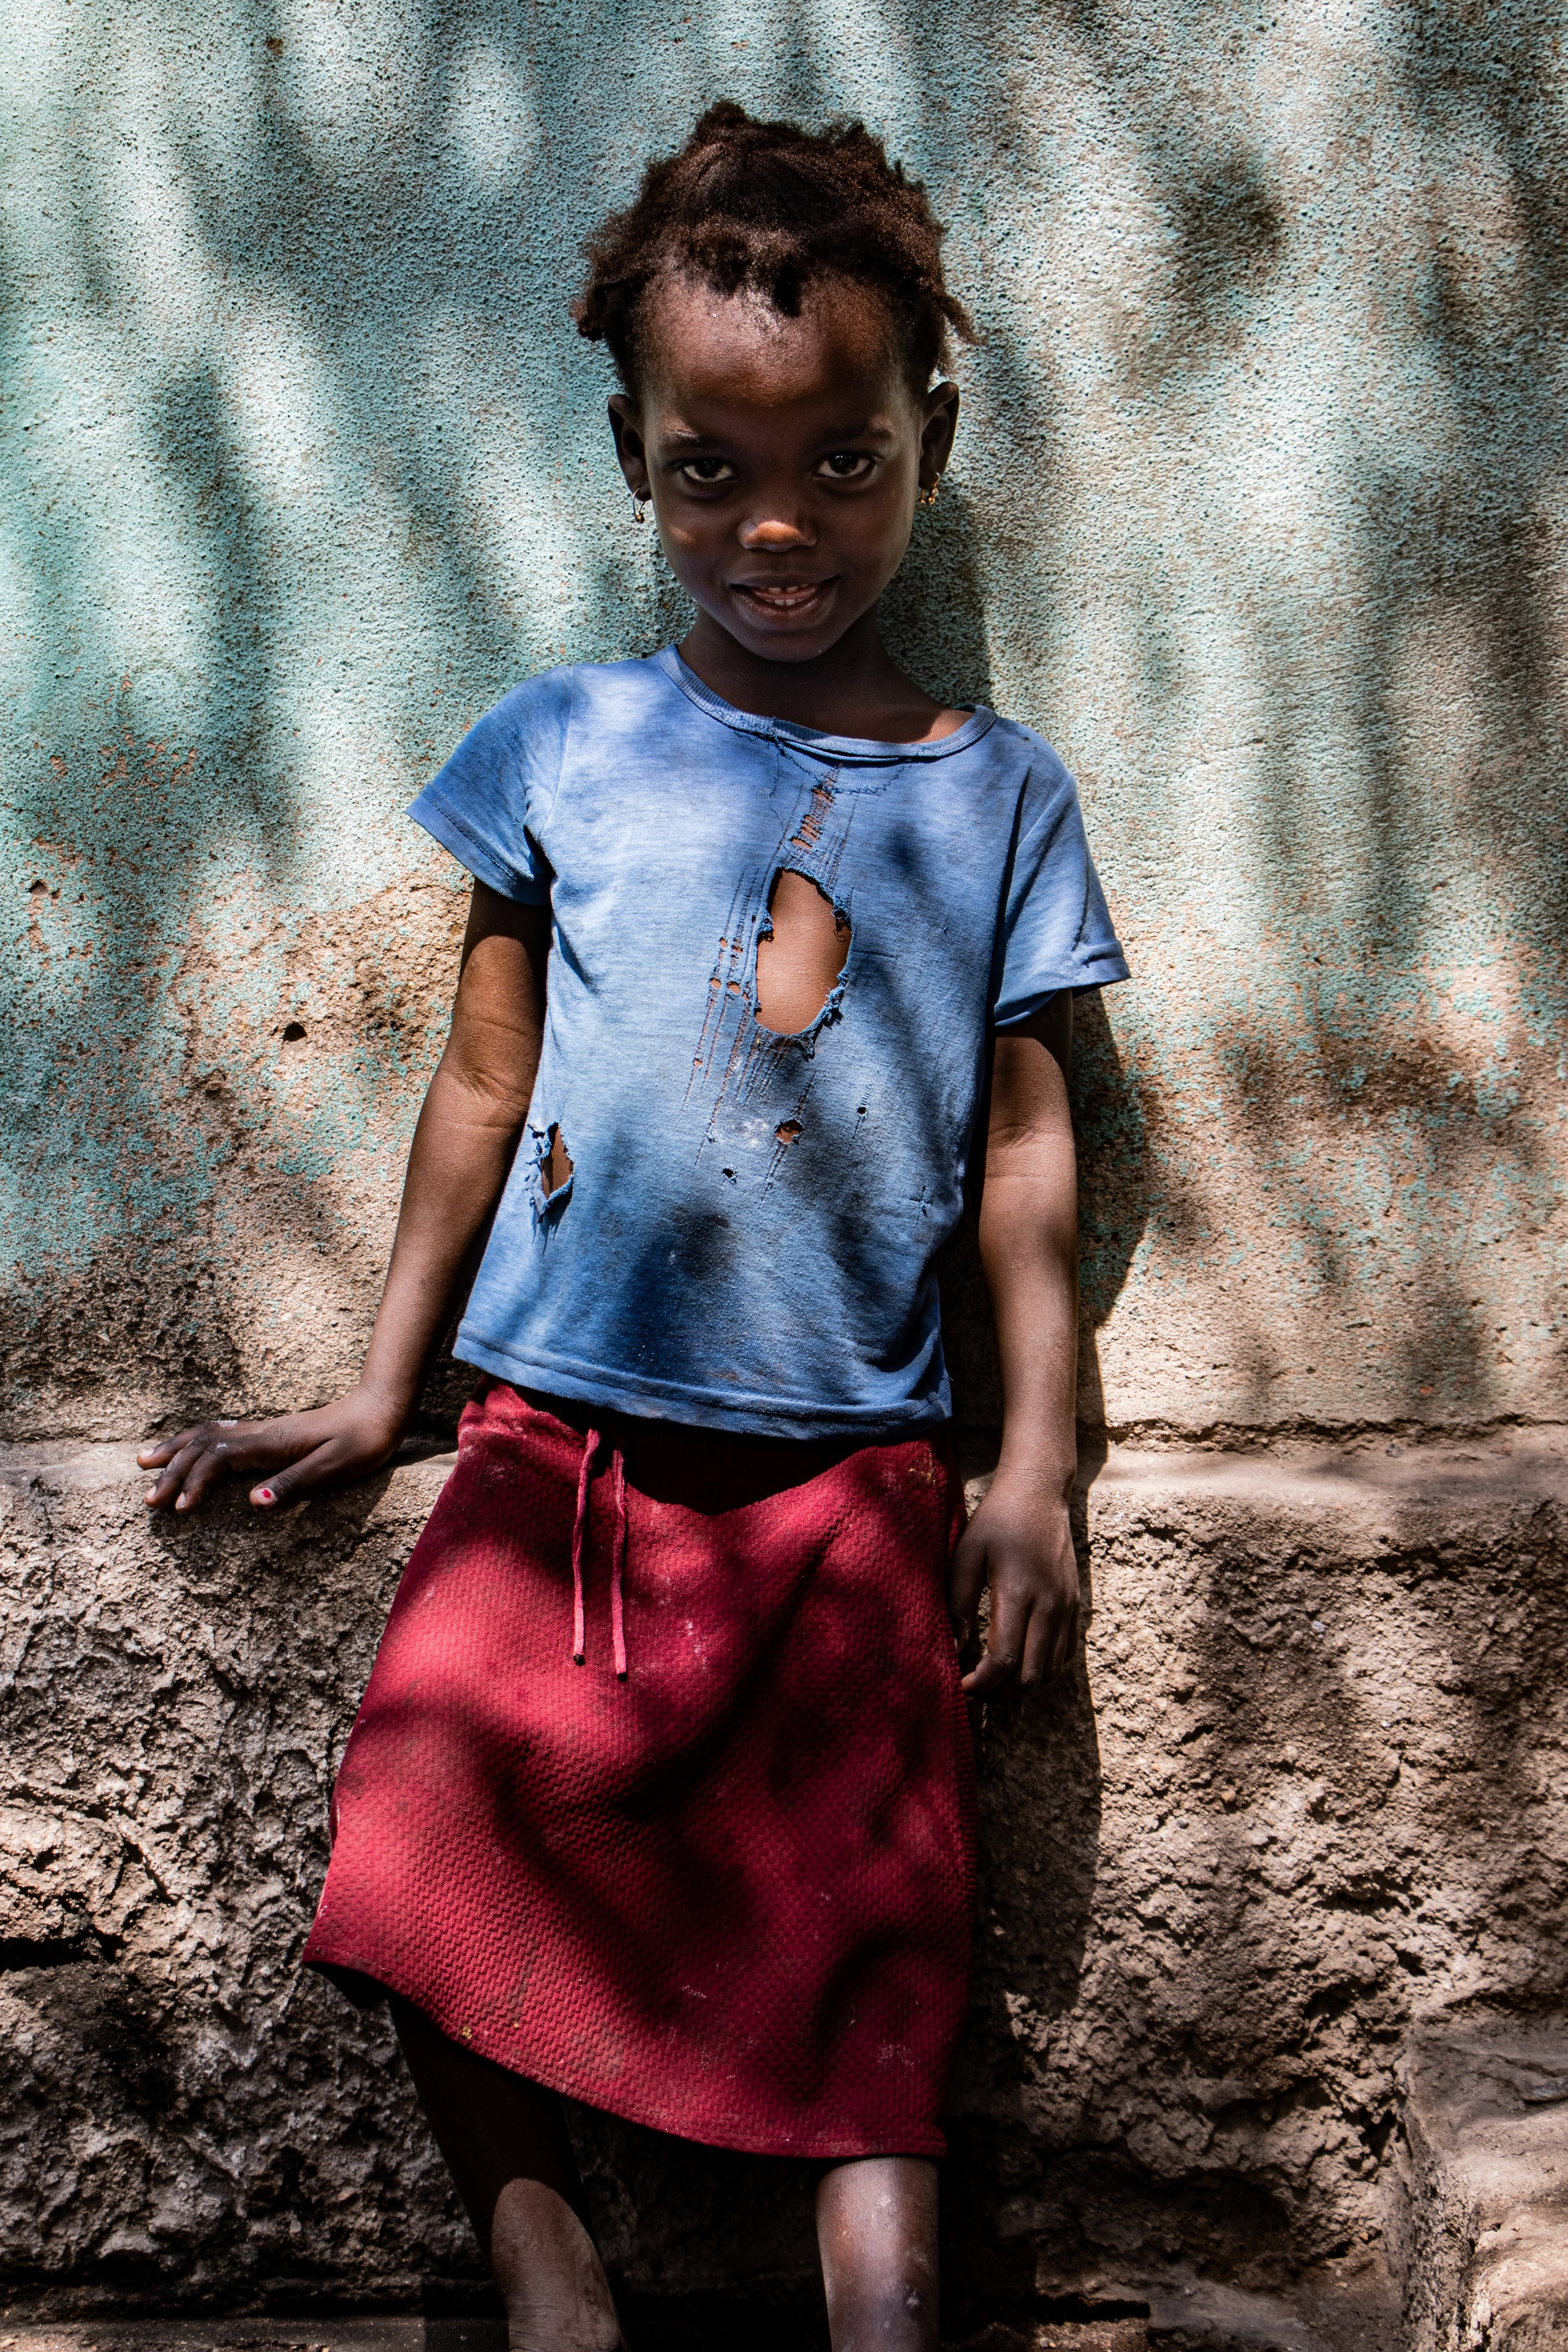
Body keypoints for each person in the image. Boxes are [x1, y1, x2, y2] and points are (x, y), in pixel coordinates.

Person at [138, 102, 1129, 2352]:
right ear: (630, 454)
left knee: (882, 1928)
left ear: (929, 440)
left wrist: (1039, 1462)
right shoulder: (561, 746)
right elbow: (482, 1080)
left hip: (850, 1481)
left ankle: (878, 2310)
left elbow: (1023, 1156)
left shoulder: (996, 791)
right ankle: (540, 2258)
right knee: (417, 1806)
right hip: (556, 1449)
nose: (779, 526)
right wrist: (388, 1395)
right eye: (713, 471)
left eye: (844, 463)